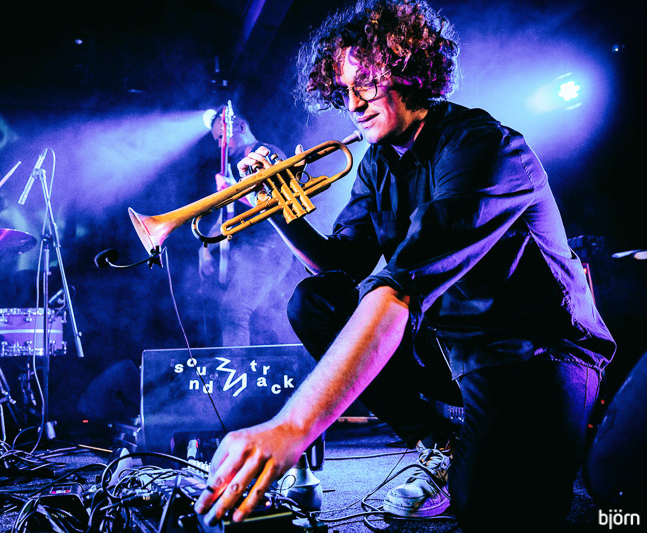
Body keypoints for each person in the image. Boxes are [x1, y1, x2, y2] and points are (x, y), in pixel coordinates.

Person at [193, 1, 616, 531]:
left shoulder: (481, 145)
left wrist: (292, 427)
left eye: (366, 84)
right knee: (315, 302)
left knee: (489, 510)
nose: (353, 104)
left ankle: (532, 445)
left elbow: (401, 285)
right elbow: (341, 265)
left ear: (411, 70)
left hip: (533, 353)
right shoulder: (378, 161)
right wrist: (276, 210)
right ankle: (437, 443)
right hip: (450, 345)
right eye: (344, 90)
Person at [197, 111, 296, 346]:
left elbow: (279, 203)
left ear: (241, 127)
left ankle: (235, 368)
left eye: (222, 137)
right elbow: (225, 219)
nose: (220, 145)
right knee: (239, 315)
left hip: (272, 248)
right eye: (217, 140)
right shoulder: (234, 167)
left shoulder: (265, 153)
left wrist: (233, 189)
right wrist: (204, 248)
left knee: (234, 311)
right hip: (251, 253)